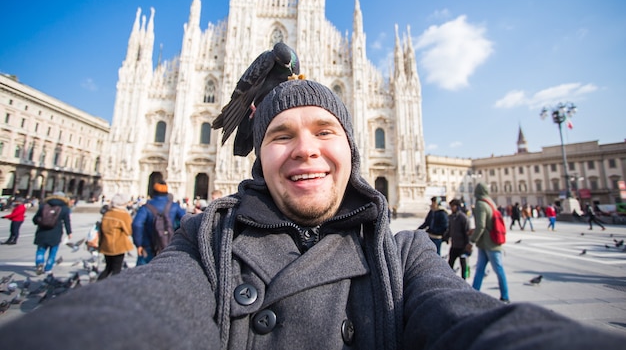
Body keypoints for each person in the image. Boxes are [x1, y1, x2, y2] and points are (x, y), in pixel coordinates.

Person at [0, 79, 623, 349]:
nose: (305, 148)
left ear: (351, 148)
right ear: (258, 157)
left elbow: (467, 321)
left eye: (325, 129)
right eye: (281, 134)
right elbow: (145, 308)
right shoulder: (206, 246)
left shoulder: (401, 256)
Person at [468, 182, 510, 303]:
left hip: (489, 243)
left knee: (497, 269)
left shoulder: (481, 204)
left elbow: (481, 226)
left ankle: (505, 296)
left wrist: (472, 241)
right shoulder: (490, 202)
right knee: (481, 269)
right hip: (489, 242)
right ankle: (473, 293)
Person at [131, 180, 185, 265]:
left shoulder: (146, 207)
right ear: (167, 192)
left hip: (148, 244)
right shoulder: (174, 206)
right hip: (169, 243)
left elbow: (137, 224)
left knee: (143, 271)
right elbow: (185, 220)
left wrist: (139, 244)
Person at [32, 191, 72, 275]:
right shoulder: (64, 208)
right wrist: (69, 232)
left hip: (42, 231)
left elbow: (35, 219)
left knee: (41, 250)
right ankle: (48, 269)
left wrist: (39, 221)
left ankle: (39, 263)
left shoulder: (43, 206)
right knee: (53, 252)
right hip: (56, 232)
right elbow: (67, 221)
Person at [97, 193, 134, 280]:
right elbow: (129, 231)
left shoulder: (108, 213)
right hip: (118, 246)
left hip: (106, 245)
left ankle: (98, 284)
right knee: (117, 269)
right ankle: (113, 288)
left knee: (108, 268)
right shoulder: (123, 214)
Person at [444, 199, 471, 279]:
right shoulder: (451, 217)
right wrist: (446, 237)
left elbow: (467, 232)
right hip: (454, 245)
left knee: (463, 265)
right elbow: (450, 229)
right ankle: (449, 279)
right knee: (450, 264)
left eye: (452, 206)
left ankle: (464, 280)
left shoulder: (463, 218)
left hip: (462, 246)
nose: (451, 208)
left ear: (457, 206)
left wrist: (468, 245)